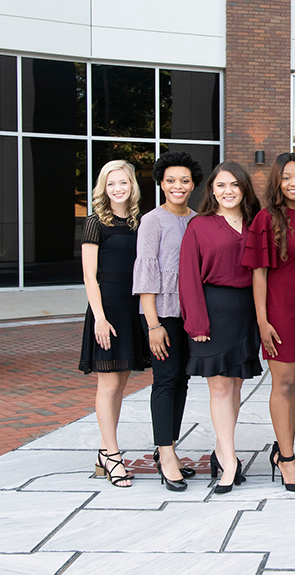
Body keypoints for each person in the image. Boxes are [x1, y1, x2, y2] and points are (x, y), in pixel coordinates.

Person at [179, 161, 262, 494]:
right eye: (221, 185)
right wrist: (196, 320)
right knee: (220, 389)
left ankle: (220, 449)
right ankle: (229, 462)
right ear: (211, 190)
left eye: (234, 185)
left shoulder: (257, 223)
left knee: (237, 386)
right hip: (212, 312)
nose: (228, 191)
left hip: (246, 312)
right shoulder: (199, 226)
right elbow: (187, 276)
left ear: (244, 189)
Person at [243, 153, 295, 494]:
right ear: (277, 181)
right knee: (284, 384)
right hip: (278, 311)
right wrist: (262, 320)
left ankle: (282, 448)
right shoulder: (265, 218)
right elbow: (258, 274)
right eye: (287, 177)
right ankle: (287, 459)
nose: (293, 183)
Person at [133, 151, 204, 491]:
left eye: (185, 181)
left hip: (190, 314)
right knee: (164, 381)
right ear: (161, 183)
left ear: (193, 185)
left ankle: (169, 449)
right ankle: (165, 453)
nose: (178, 186)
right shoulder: (153, 220)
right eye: (171, 180)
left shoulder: (197, 219)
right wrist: (153, 325)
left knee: (181, 381)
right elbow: (146, 272)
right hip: (163, 314)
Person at [80, 160, 151, 488]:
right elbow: (89, 276)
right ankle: (111, 454)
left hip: (131, 309)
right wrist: (99, 318)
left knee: (120, 384)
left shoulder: (140, 222)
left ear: (132, 185)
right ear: (103, 188)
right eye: (111, 184)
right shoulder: (95, 223)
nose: (118, 188)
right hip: (107, 312)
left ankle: (105, 452)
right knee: (108, 385)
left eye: (123, 182)